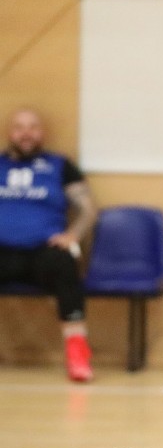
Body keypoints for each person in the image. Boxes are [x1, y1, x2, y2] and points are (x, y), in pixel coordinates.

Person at [0, 108, 98, 382]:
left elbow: (88, 209)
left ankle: (77, 352)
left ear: (41, 133)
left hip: (43, 253)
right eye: (20, 127)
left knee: (65, 263)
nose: (26, 133)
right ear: (10, 132)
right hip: (3, 252)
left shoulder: (60, 166)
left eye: (32, 127)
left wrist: (73, 235)